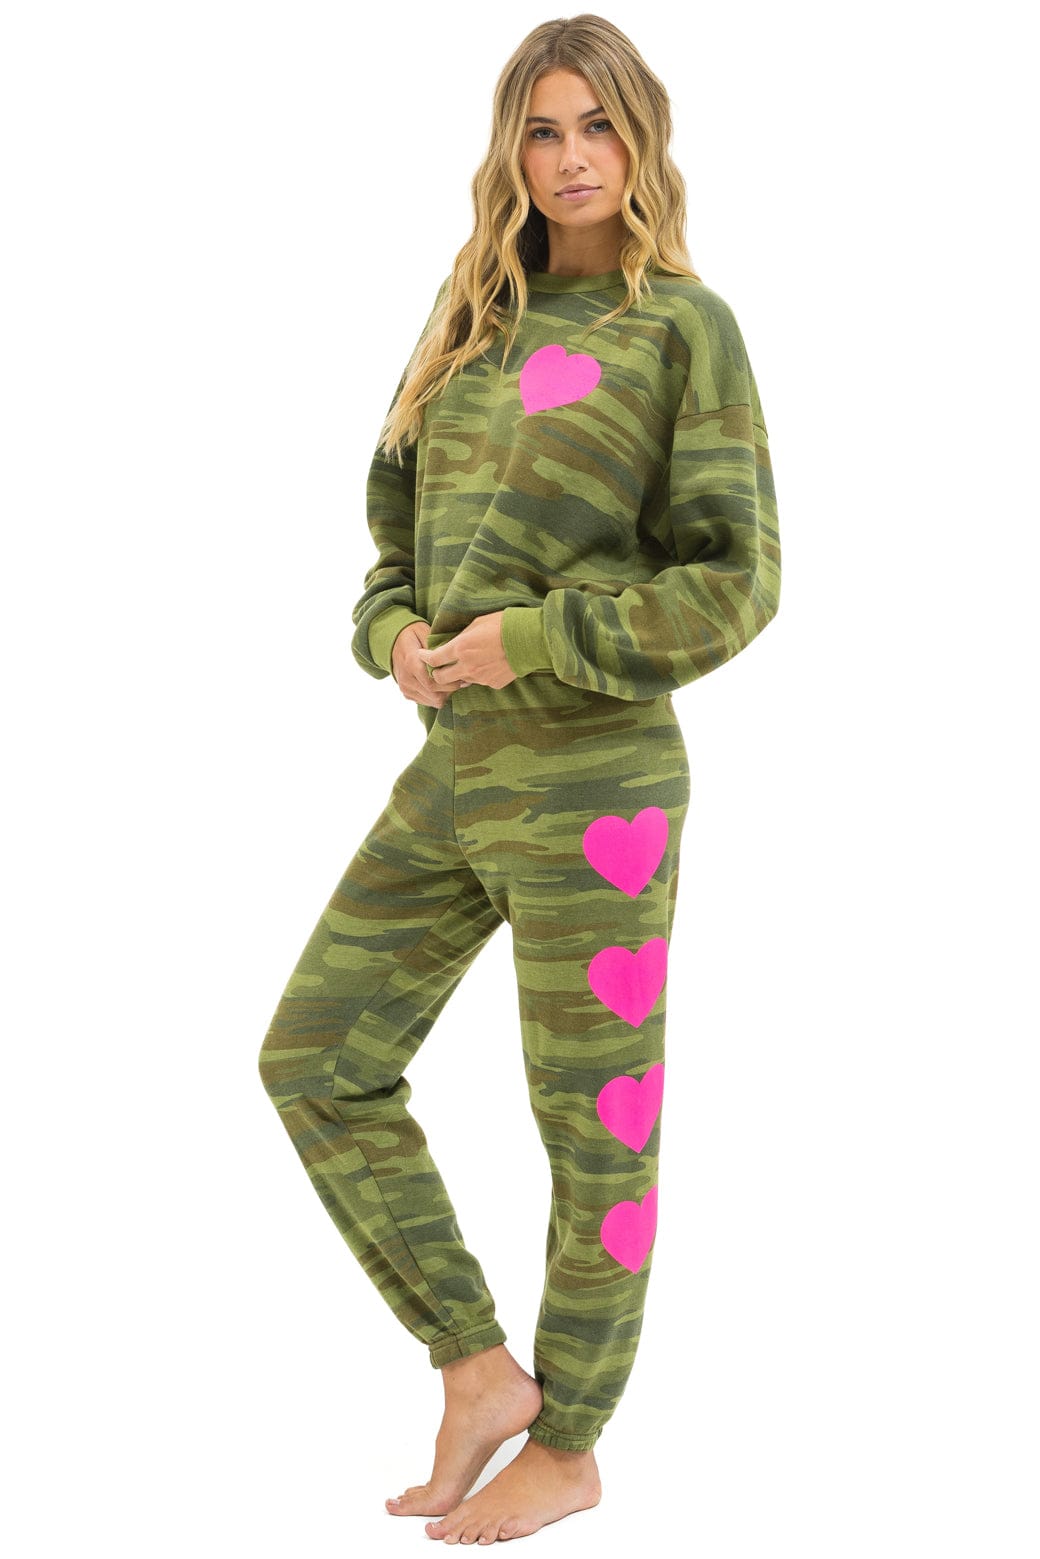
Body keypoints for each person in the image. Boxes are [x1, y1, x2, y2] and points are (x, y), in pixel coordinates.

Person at [258, 11, 781, 1545]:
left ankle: (575, 1440)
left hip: (598, 786)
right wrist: (396, 640)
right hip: (458, 772)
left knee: (593, 1126)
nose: (570, 159)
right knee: (316, 1057)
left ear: (643, 138)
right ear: (511, 150)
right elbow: (388, 547)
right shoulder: (468, 317)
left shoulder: (682, 329)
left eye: (597, 126)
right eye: (543, 130)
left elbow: (738, 583)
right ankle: (478, 1371)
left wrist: (536, 639)